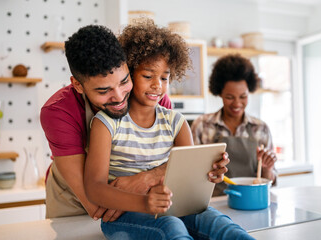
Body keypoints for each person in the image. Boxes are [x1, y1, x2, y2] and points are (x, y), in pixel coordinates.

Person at [84, 20, 255, 240]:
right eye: (148, 76)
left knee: (224, 226)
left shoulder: (177, 122)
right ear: (128, 73)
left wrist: (210, 174)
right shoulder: (106, 123)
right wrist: (145, 203)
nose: (157, 85)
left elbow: (190, 180)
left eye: (164, 77)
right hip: (125, 216)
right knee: (171, 228)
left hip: (175, 207)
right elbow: (94, 188)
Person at [40, 24, 229, 222]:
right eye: (104, 91)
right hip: (74, 206)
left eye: (124, 82)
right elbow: (96, 206)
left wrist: (150, 178)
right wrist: (149, 191)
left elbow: (175, 164)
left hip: (138, 205)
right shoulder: (58, 112)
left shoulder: (153, 100)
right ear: (78, 85)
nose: (120, 97)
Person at [191, 54, 278, 196]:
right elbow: (192, 174)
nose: (237, 104)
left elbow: (270, 182)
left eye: (243, 97)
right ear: (219, 93)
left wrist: (268, 168)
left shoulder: (261, 129)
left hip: (250, 201)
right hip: (213, 205)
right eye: (230, 97)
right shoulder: (202, 125)